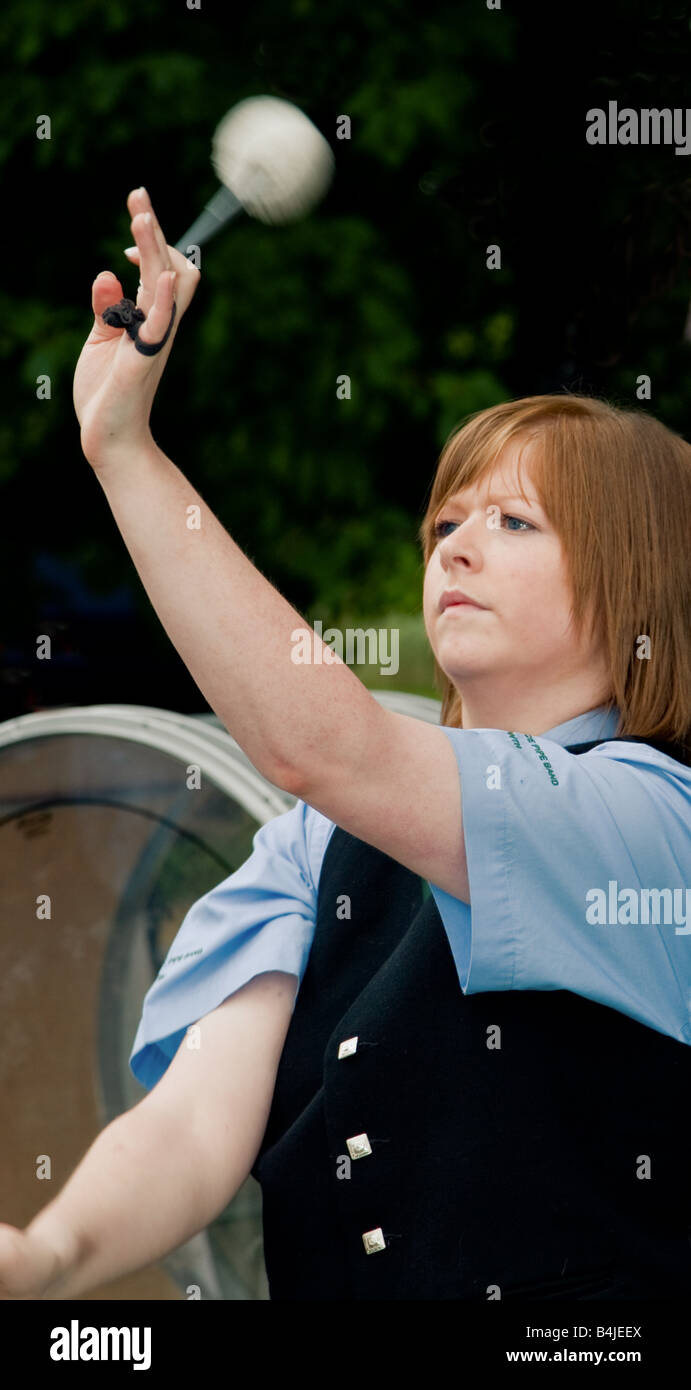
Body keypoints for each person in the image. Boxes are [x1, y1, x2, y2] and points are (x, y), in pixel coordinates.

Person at [0, 188, 689, 1301]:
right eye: (446, 524)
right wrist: (45, 1256)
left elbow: (325, 744)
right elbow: (190, 1128)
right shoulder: (322, 842)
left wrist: (125, 455)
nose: (458, 545)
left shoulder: (658, 822)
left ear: (637, 590)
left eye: (516, 522)